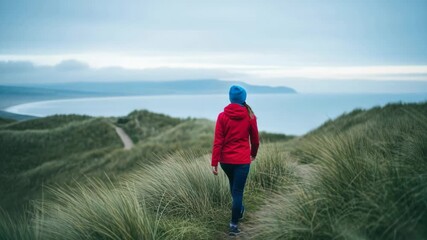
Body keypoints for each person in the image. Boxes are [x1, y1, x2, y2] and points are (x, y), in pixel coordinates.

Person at [211, 85, 259, 236]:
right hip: (242, 161)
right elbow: (255, 140)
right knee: (237, 192)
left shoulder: (222, 116)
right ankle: (233, 224)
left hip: (226, 161)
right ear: (243, 98)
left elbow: (218, 141)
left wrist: (214, 162)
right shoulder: (250, 116)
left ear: (230, 98)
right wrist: (253, 154)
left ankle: (239, 210)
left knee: (234, 189)